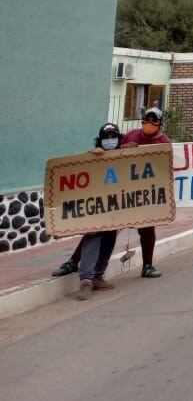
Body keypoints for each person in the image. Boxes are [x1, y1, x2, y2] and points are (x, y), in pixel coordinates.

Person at [118, 107, 171, 278]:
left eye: (153, 120)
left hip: (145, 195)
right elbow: (112, 154)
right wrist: (122, 148)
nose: (149, 123)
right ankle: (73, 261)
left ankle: (147, 266)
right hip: (121, 191)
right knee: (101, 228)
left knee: (147, 229)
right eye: (147, 119)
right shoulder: (131, 135)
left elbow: (166, 168)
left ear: (160, 123)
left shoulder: (164, 143)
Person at [74, 123, 123, 300]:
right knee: (93, 237)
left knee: (110, 237)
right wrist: (91, 155)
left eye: (113, 136)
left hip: (114, 206)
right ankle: (86, 281)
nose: (110, 140)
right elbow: (78, 170)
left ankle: (98, 276)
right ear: (100, 140)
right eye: (106, 137)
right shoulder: (92, 156)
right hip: (95, 207)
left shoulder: (125, 155)